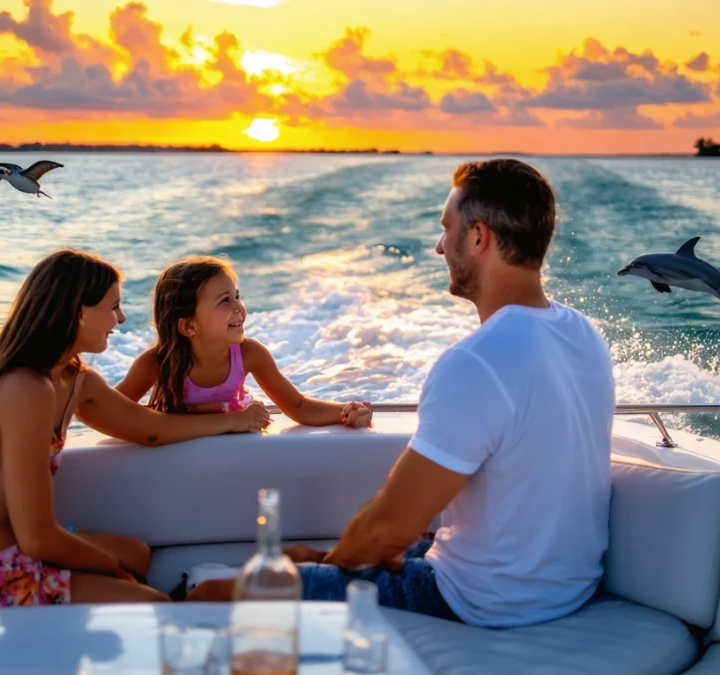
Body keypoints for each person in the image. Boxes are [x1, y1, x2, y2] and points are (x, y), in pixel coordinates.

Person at [189, 159, 616, 629]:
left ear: (479, 237)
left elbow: (390, 529)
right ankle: (313, 561)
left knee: (210, 595)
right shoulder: (584, 334)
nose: (439, 246)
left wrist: (336, 570)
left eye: (446, 229)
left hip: (482, 599)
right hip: (568, 588)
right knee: (318, 554)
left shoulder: (476, 362)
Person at [0, 249, 271, 611]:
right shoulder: (24, 391)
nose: (121, 318)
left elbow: (151, 429)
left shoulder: (74, 378)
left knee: (138, 554)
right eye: (113, 307)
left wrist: (232, 418)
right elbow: (38, 538)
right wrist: (112, 569)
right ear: (79, 312)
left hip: (22, 552)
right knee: (155, 603)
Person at [117, 256, 372, 427]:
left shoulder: (249, 353)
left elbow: (299, 406)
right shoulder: (158, 363)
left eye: (236, 296)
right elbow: (112, 411)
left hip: (237, 449)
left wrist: (345, 412)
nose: (239, 306)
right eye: (225, 300)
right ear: (189, 326)